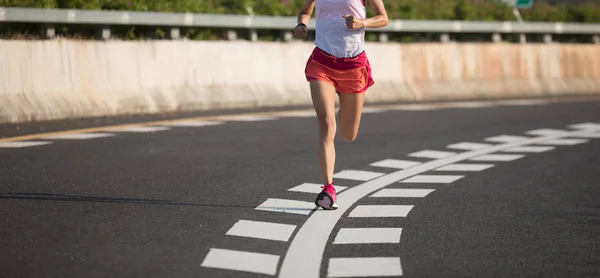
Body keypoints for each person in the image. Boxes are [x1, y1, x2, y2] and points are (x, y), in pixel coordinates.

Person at [294, 0, 388, 210]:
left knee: (348, 134)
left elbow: (383, 18)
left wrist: (361, 22)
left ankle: (342, 110)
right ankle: (328, 188)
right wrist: (301, 25)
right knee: (326, 123)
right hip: (322, 64)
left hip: (353, 66)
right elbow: (304, 12)